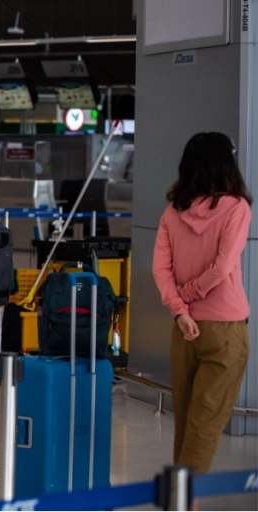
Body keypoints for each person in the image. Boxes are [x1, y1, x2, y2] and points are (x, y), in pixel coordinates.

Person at [152, 132, 251, 476]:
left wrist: (180, 308)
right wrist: (190, 294)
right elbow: (223, 267)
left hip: (184, 329)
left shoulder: (172, 212)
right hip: (225, 329)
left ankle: (179, 499)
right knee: (205, 424)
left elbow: (160, 269)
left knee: (186, 419)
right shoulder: (237, 208)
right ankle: (187, 503)